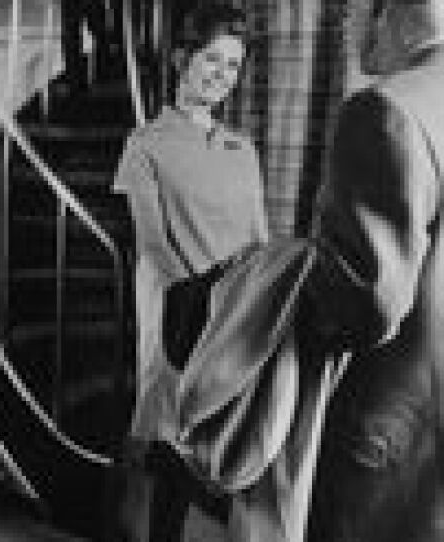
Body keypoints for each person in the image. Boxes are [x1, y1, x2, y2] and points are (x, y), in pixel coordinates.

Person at [112, 4, 267, 540]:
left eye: (232, 65)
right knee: (175, 443)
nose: (221, 76)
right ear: (182, 59)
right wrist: (200, 300)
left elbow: (258, 239)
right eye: (211, 60)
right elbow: (153, 242)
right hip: (181, 311)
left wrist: (253, 302)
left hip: (236, 312)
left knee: (232, 439)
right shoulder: (146, 145)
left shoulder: (242, 148)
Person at [296, 1, 444, 540]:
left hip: (389, 442)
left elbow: (363, 308)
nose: (344, 28)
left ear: (384, 12)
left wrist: (271, 282)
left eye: (349, 12)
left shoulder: (386, 111)